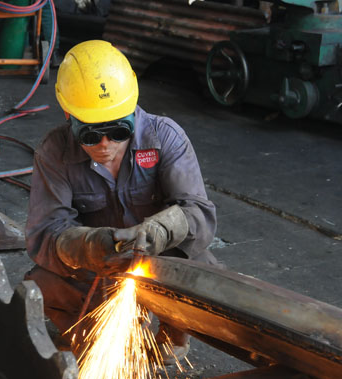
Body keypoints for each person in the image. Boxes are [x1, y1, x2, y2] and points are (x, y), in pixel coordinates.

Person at [25, 40, 219, 362]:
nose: (104, 145)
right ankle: (89, 333)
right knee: (40, 285)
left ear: (132, 110)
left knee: (205, 274)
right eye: (90, 135)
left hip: (158, 263)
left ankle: (172, 337)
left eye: (118, 131)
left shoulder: (164, 137)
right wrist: (90, 244)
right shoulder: (54, 151)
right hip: (100, 268)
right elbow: (45, 234)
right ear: (68, 115)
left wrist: (156, 232)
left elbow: (197, 213)